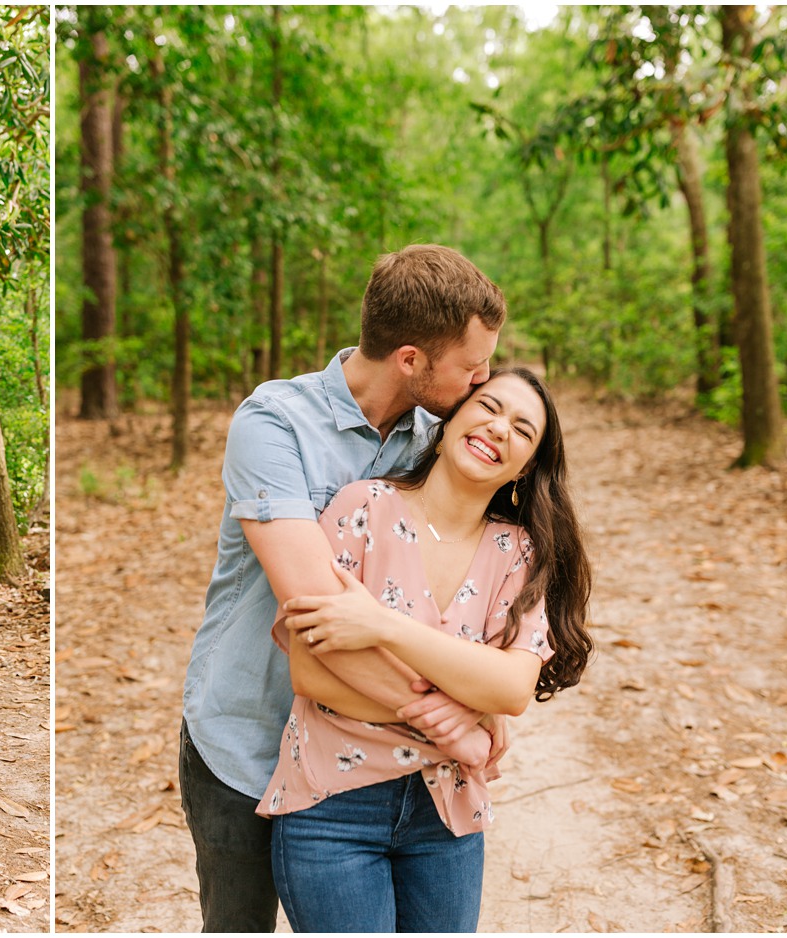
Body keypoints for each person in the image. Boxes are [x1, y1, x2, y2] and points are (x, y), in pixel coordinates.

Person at [181, 244, 509, 931]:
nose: (485, 380)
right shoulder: (275, 424)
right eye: (472, 366)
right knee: (236, 924)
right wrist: (451, 721)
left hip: (360, 759)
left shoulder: (440, 437)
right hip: (248, 737)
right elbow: (318, 613)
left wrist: (484, 701)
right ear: (411, 360)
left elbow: (467, 576)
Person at [260, 368, 594, 932]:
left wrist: (382, 627)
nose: (498, 428)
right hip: (332, 807)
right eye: (488, 407)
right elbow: (311, 673)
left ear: (529, 465)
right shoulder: (361, 509)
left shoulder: (518, 551)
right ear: (448, 422)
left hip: (447, 812)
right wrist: (460, 716)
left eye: (523, 429)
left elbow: (512, 689)